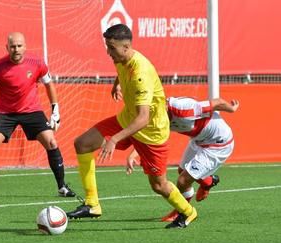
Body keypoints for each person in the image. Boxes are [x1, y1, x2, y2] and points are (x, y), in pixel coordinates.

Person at [66, 24, 197, 229]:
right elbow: (122, 71)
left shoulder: (140, 74)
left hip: (151, 133)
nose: (108, 52)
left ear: (126, 47)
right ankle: (92, 204)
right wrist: (117, 83)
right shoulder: (122, 58)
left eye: (111, 48)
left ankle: (188, 212)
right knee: (82, 144)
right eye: (107, 46)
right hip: (128, 119)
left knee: (158, 185)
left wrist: (115, 139)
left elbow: (143, 118)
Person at [0, 32, 75, 199]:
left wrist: (55, 110)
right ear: (7, 48)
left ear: (25, 46)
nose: (16, 49)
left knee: (52, 142)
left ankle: (62, 187)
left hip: (32, 111)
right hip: (6, 112)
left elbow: (49, 85)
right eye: (12, 46)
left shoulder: (38, 63)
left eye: (19, 46)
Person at [126, 96, 239, 222]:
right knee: (182, 171)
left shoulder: (184, 109)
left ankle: (181, 212)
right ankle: (207, 182)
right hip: (198, 140)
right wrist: (132, 155)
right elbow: (151, 139)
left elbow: (217, 103)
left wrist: (232, 109)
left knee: (183, 180)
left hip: (218, 143)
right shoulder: (157, 118)